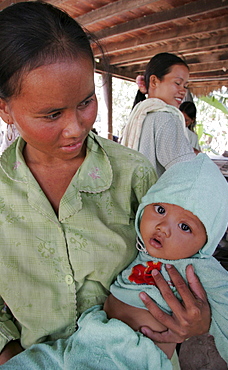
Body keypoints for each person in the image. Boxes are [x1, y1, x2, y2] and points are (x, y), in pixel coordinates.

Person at [0, 1, 211, 366]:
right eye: (51, 114)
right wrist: (9, 354)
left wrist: (197, 317)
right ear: (5, 108)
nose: (75, 127)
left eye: (86, 102)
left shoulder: (132, 173)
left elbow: (187, 257)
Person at [105, 153, 228, 369]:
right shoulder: (138, 246)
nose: (163, 227)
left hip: (139, 359)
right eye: (160, 209)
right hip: (96, 335)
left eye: (184, 227)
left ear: (205, 243)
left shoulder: (200, 269)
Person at [121, 52, 195, 177]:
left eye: (185, 85)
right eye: (177, 83)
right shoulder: (167, 118)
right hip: (158, 196)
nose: (183, 91)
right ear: (154, 81)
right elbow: (186, 172)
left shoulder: (140, 116)